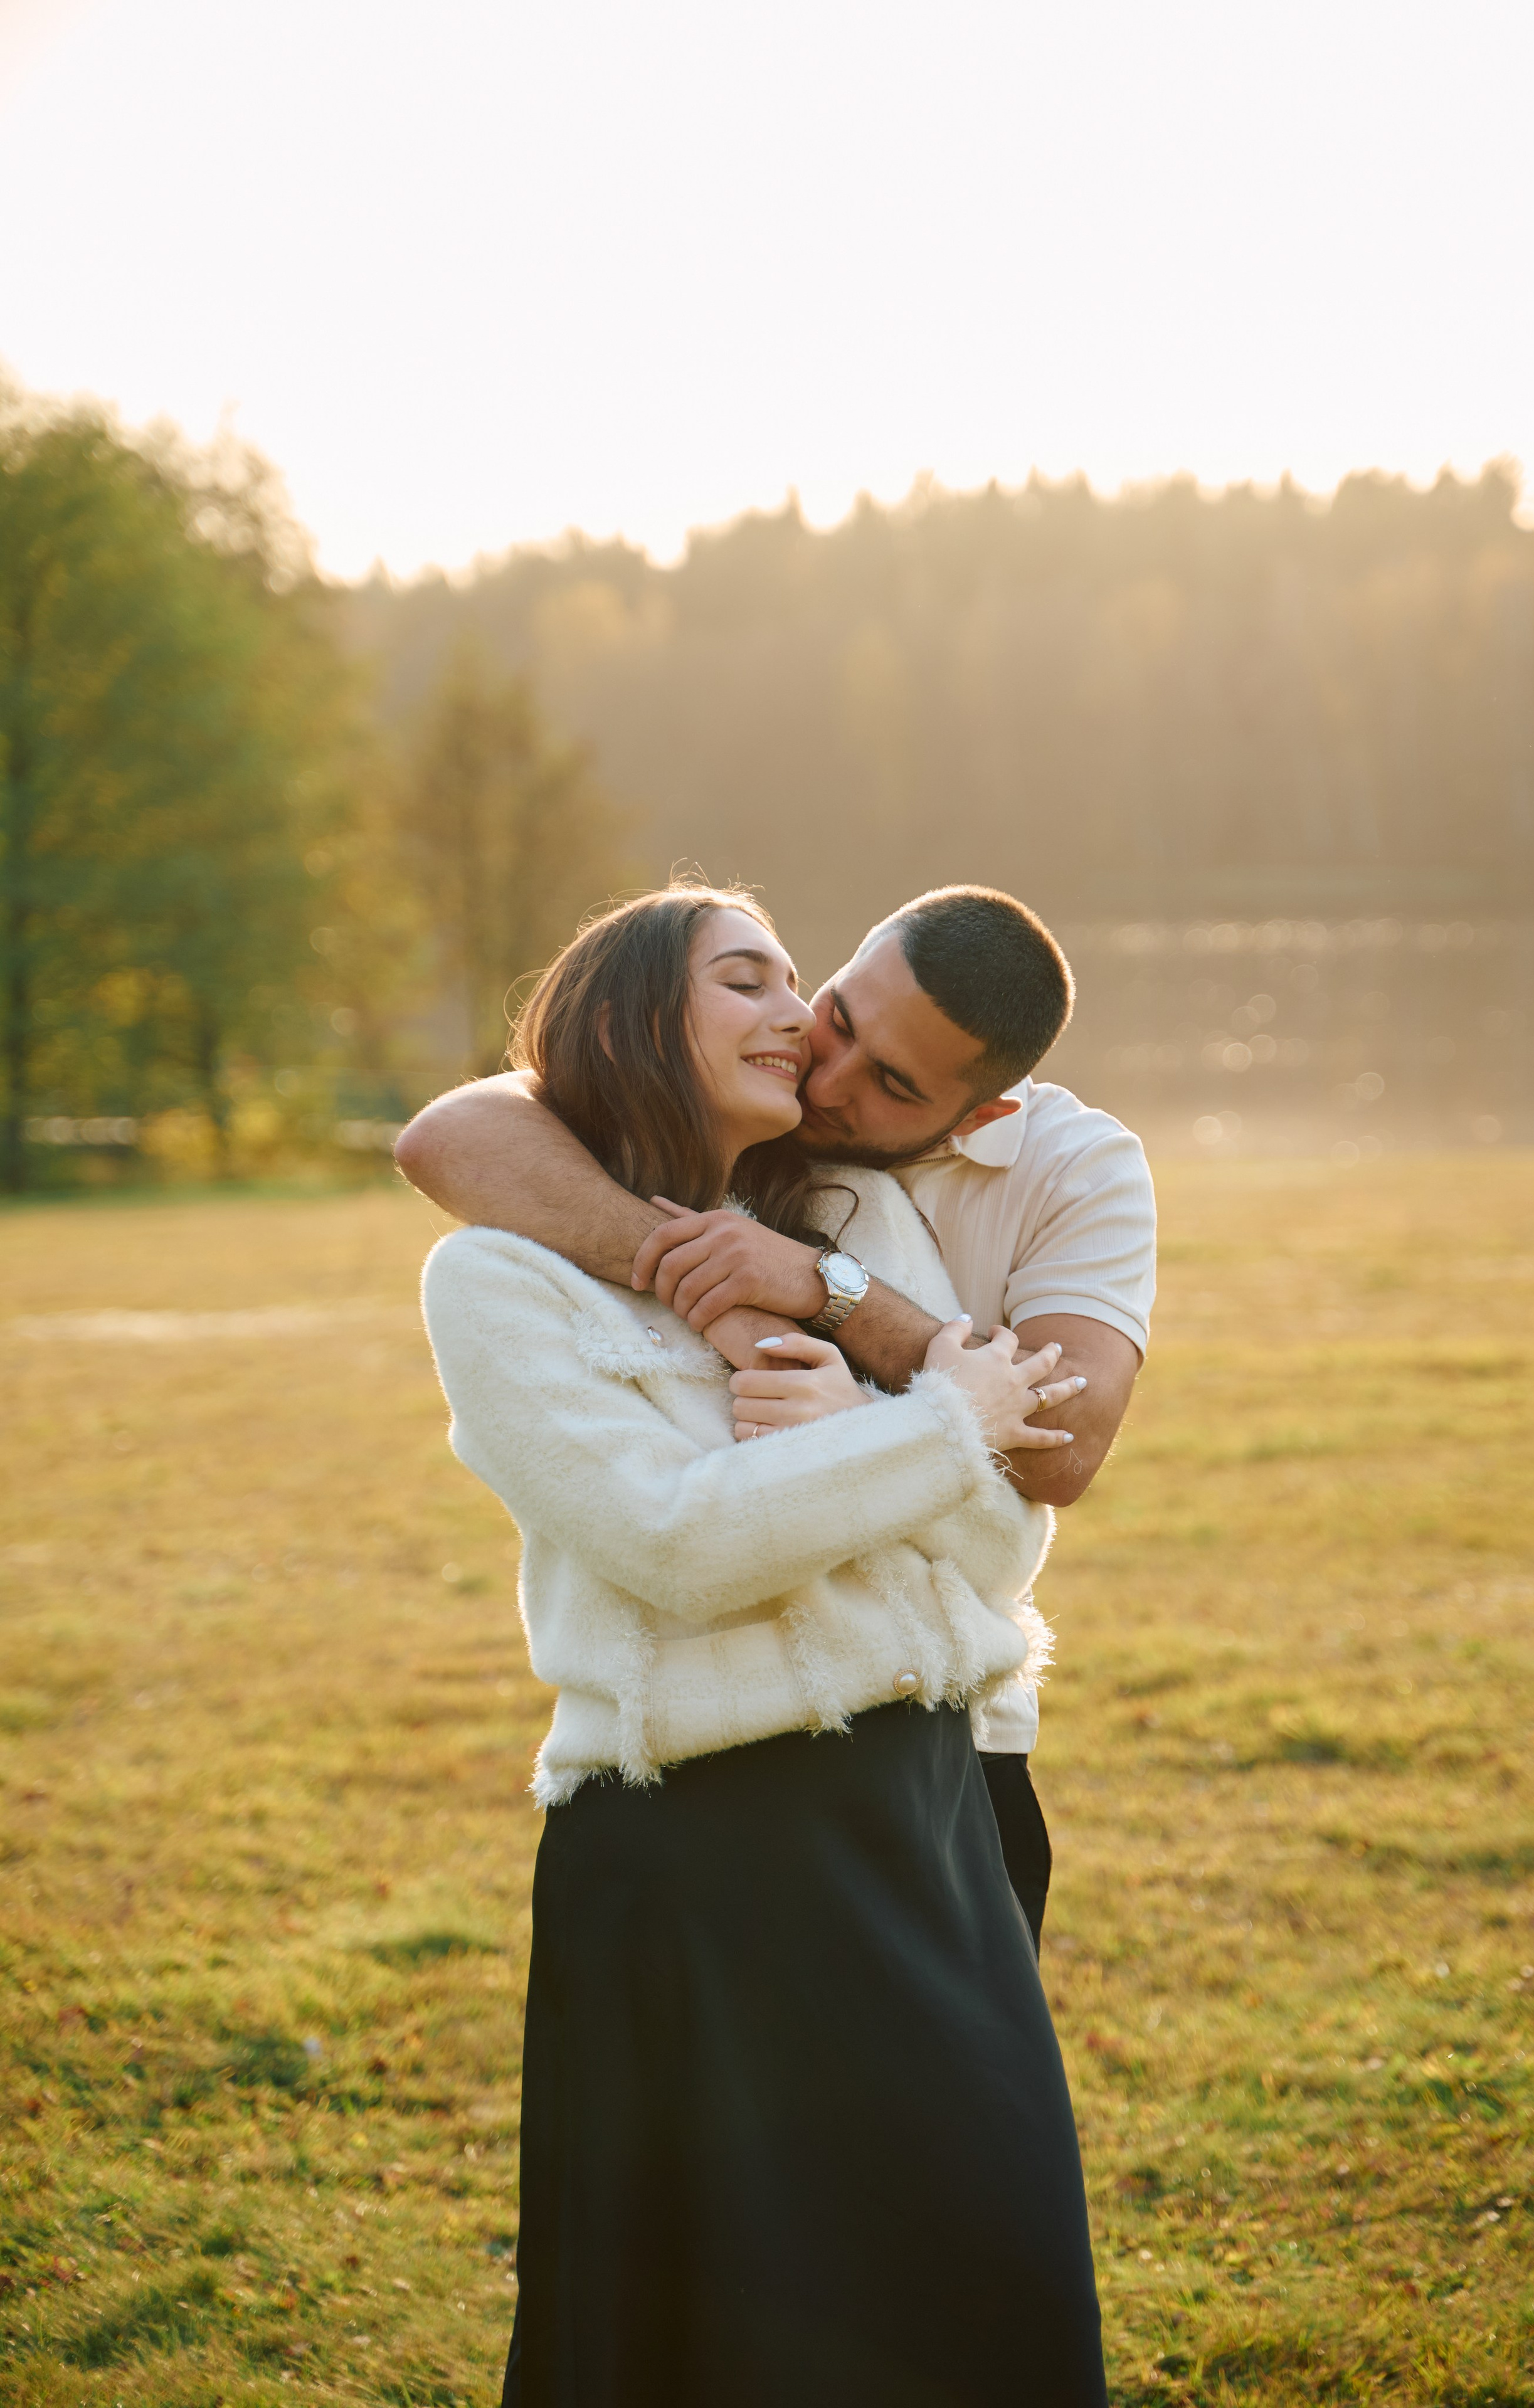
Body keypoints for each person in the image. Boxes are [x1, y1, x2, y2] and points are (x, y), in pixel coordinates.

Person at [420, 884, 1107, 2405]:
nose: (795, 1016)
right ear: (629, 1017)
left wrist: (870, 1424)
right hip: (697, 1861)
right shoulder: (494, 1279)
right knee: (728, 2343)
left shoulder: (855, 1221)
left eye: (798, 979)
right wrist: (926, 1431)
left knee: (984, 2288)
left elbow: (1002, 1541)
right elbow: (678, 1548)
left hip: (925, 1826)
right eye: (750, 978)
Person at [397, 883, 1156, 1947]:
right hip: (695, 1803)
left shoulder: (1029, 1178)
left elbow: (1054, 1454)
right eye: (835, 1014)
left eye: (891, 1082)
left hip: (952, 1757)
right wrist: (704, 1284)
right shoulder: (730, 1129)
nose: (826, 1075)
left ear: (979, 1114)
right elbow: (451, 1133)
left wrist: (830, 1303)